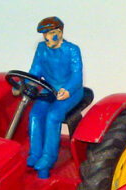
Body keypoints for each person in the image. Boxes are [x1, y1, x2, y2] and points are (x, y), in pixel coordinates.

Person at [27, 16, 83, 179]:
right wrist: (25, 83)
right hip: (49, 88)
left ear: (59, 32)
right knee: (35, 114)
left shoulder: (72, 50)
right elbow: (35, 70)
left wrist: (67, 90)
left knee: (53, 116)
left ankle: (48, 158)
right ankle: (35, 153)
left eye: (51, 33)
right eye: (44, 34)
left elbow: (77, 77)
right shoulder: (41, 49)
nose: (47, 37)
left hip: (71, 91)